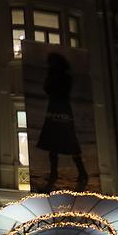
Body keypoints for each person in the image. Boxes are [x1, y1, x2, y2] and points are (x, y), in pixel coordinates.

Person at [36, 52, 88, 191]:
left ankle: (61, 174)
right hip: (61, 109)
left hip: (57, 109)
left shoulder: (59, 77)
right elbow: (50, 89)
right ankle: (78, 172)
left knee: (60, 142)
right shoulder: (64, 77)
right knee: (65, 141)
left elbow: (48, 89)